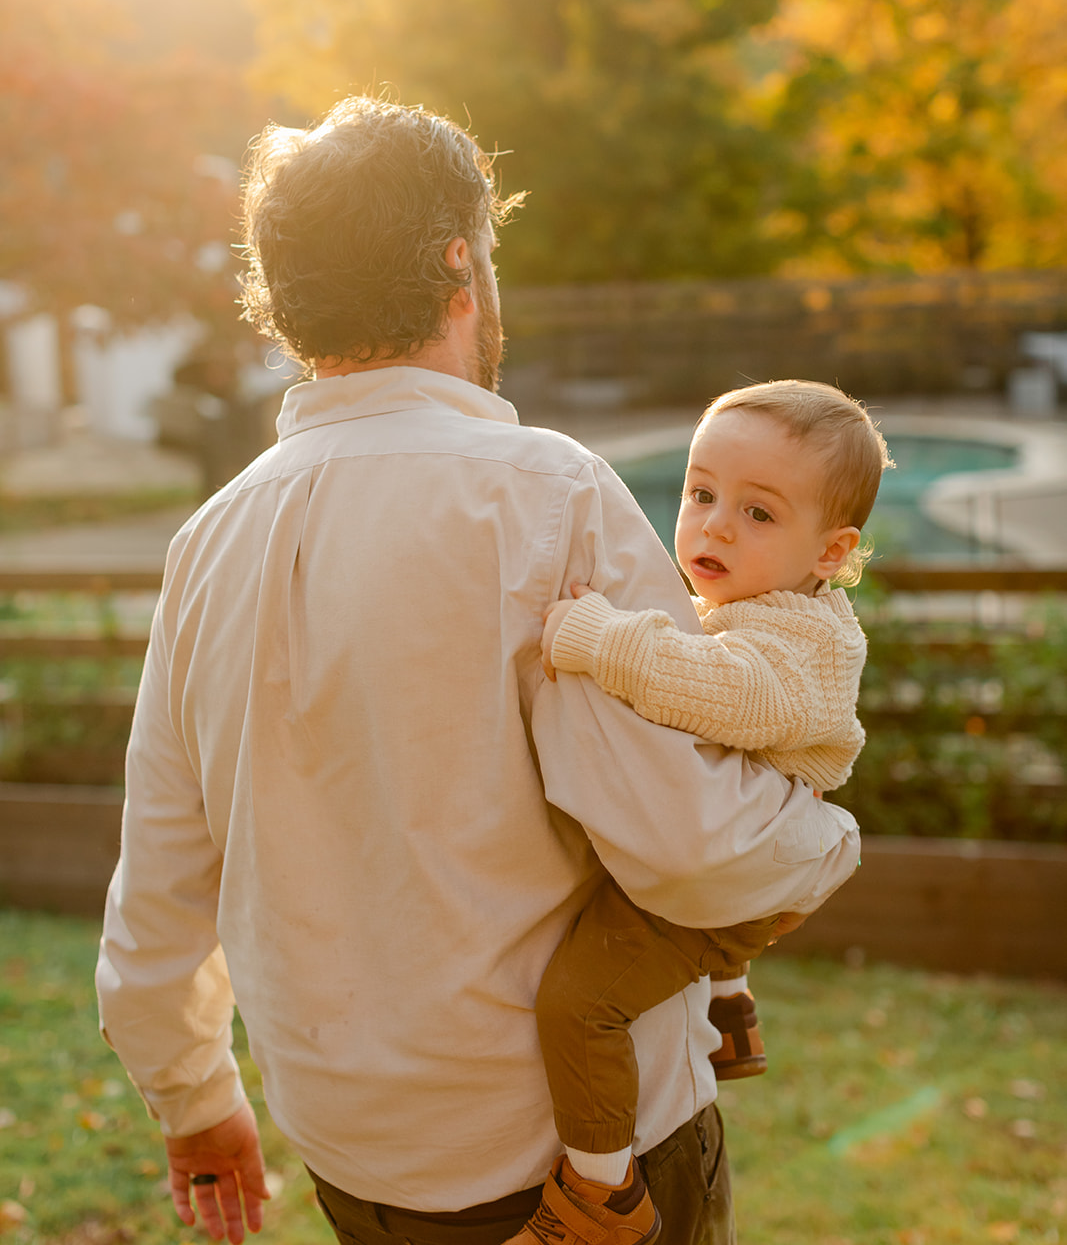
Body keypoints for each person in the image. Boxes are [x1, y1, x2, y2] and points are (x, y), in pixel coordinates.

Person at [95, 96, 861, 1245]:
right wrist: (828, 842)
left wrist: (196, 1098)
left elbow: (159, 873)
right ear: (461, 260)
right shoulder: (543, 493)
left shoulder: (208, 539)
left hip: (360, 1169)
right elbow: (688, 843)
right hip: (583, 1167)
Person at [529, 381, 889, 1229]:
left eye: (758, 514)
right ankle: (729, 1011)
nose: (715, 525)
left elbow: (725, 694)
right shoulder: (755, 606)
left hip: (749, 879)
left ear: (830, 552)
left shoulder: (798, 641)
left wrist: (597, 637)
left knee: (579, 1003)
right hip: (762, 858)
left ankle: (599, 1192)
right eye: (700, 494)